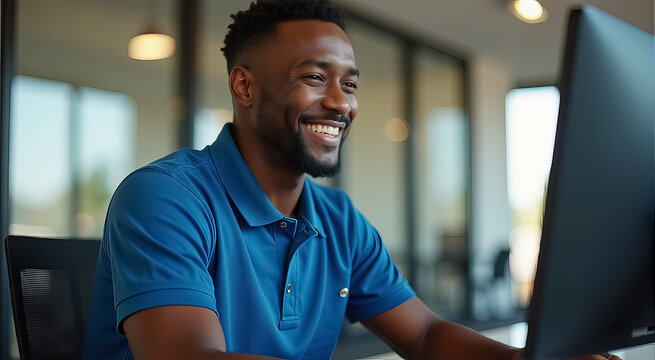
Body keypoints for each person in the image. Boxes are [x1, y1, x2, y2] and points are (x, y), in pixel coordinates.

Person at [82, 1, 620, 359]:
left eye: (350, 83)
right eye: (314, 77)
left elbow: (427, 336)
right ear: (243, 87)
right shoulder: (166, 197)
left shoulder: (338, 221)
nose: (340, 103)